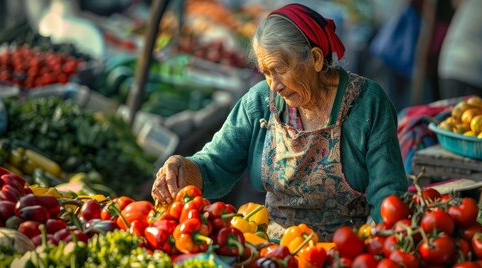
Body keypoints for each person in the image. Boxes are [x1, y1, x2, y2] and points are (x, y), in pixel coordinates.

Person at [151, 3, 408, 241]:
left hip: (344, 249)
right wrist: (182, 167)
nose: (275, 86)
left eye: (280, 70)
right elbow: (216, 163)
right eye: (266, 73)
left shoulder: (367, 103)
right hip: (272, 249)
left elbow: (387, 196)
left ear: (316, 59)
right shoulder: (260, 100)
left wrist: (375, 248)